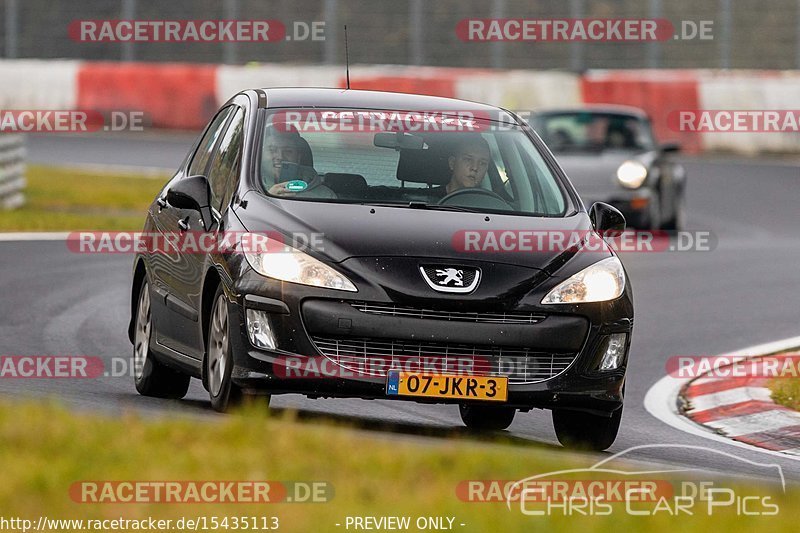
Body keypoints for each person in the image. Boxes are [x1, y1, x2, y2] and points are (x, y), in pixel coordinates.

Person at [262, 129, 334, 198]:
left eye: (288, 151)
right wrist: (267, 199)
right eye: (272, 150)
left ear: (298, 157)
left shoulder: (325, 195)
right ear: (260, 155)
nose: (280, 157)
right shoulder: (253, 191)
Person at [430, 134, 492, 199]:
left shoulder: (492, 205)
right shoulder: (423, 198)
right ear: (452, 163)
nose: (475, 168)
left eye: (482, 163)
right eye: (468, 159)